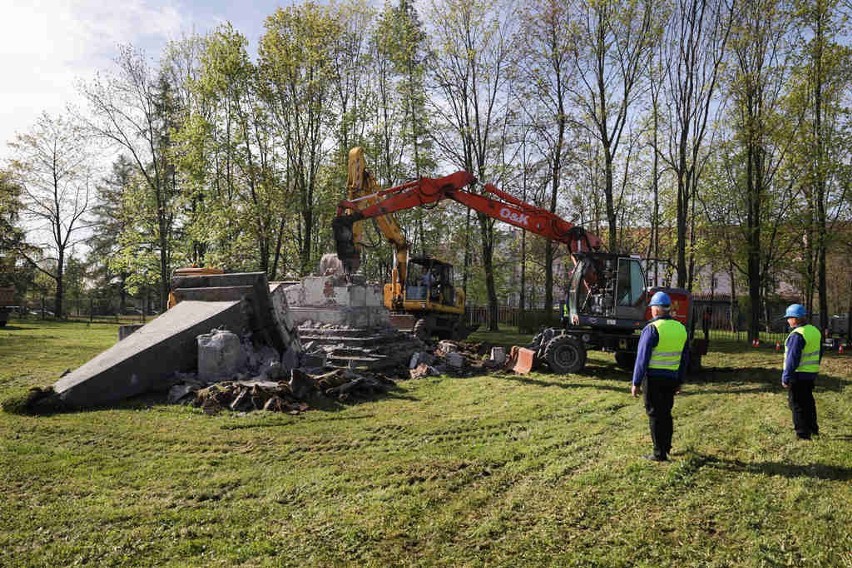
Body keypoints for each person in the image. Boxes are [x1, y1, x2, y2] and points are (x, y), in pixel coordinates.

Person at [631, 291, 689, 462]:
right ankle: (667, 447)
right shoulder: (681, 329)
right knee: (666, 412)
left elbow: (642, 359)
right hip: (671, 378)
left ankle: (659, 453)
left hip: (653, 378)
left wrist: (636, 382)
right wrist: (680, 381)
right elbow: (685, 359)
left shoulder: (651, 329)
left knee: (654, 414)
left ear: (655, 310)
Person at [781, 303, 822, 440]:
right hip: (810, 373)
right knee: (808, 402)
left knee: (797, 404)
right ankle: (813, 429)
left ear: (796, 318)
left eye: (789, 317)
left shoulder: (797, 335)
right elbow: (820, 352)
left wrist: (786, 376)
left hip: (797, 374)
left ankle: (803, 433)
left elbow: (792, 359)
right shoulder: (814, 331)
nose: (788, 320)